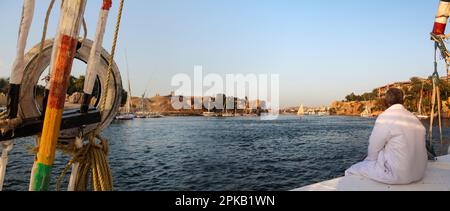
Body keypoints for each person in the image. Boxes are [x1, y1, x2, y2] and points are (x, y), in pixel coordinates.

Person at [345, 88, 428, 185]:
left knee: (352, 170)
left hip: (398, 175)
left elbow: (374, 147)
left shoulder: (386, 117)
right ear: (402, 100)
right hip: (420, 172)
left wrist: (370, 162)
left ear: (386, 101)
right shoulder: (414, 118)